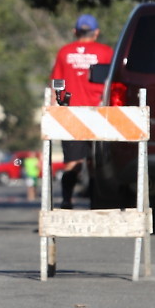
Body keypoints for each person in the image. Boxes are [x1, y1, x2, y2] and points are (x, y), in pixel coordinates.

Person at [50, 13, 113, 209]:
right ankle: (96, 203)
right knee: (95, 163)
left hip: (72, 113)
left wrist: (55, 105)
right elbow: (111, 82)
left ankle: (67, 200)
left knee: (72, 162)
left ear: (75, 31)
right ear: (96, 32)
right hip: (99, 113)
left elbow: (57, 82)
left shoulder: (64, 52)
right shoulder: (106, 52)